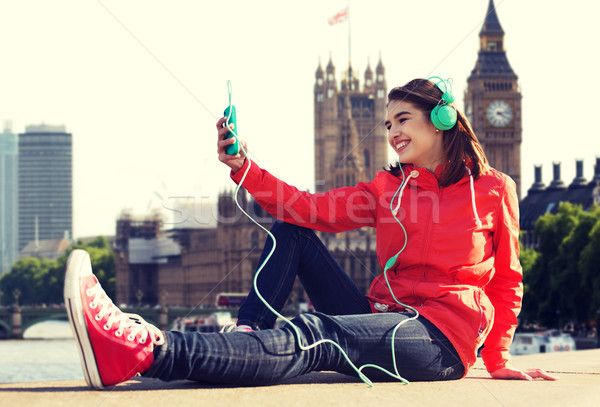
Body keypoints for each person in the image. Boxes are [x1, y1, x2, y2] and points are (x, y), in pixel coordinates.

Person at [64, 78, 557, 390]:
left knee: (319, 334)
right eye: (387, 123)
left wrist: (498, 358)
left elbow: (508, 279)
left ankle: (148, 350)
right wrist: (243, 166)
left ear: (443, 119)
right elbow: (308, 207)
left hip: (437, 338)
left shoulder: (493, 189)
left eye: (402, 119)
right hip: (382, 316)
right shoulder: (388, 187)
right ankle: (249, 333)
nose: (392, 132)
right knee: (292, 228)